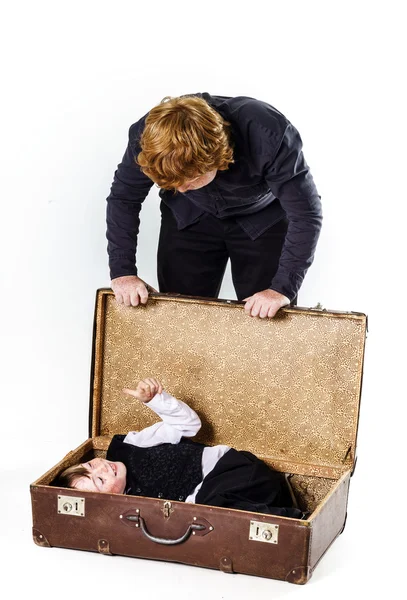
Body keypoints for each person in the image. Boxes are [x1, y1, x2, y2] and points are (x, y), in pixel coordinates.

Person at [106, 93, 322, 319]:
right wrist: (123, 272)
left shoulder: (267, 132)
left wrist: (282, 289)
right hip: (188, 215)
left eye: (189, 181)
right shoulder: (146, 137)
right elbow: (124, 198)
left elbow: (306, 213)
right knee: (181, 320)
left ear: (216, 158)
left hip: (262, 219)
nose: (179, 188)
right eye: (172, 182)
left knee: (268, 320)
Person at [57, 377, 303, 518]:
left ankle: (296, 521)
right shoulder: (133, 511)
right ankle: (283, 517)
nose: (103, 468)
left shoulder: (131, 446)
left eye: (90, 464)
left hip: (239, 472)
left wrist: (155, 401)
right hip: (247, 503)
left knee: (210, 506)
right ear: (110, 502)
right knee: (210, 511)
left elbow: (188, 424)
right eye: (99, 481)